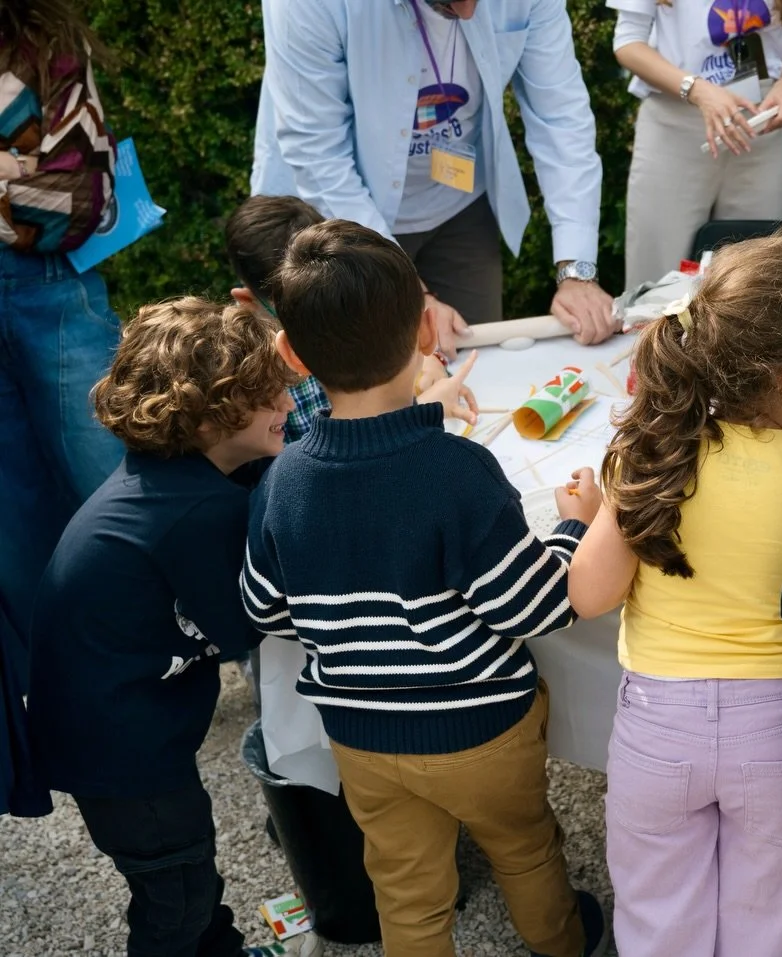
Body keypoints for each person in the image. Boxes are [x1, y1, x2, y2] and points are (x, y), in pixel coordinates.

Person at [240, 219, 609, 957]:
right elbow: (533, 605)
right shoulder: (456, 471)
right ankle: (563, 942)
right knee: (525, 847)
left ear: (289, 353)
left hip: (360, 737)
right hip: (481, 730)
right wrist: (574, 529)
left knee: (405, 887)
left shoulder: (284, 479)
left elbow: (264, 607)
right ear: (423, 332)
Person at [567, 230, 782, 956]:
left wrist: (594, 521)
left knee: (659, 910)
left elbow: (591, 593)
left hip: (659, 728)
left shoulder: (650, 450)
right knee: (773, 910)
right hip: (779, 731)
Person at [25, 298, 316, 957]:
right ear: (214, 414)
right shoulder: (197, 513)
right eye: (269, 394)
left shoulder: (172, 479)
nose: (289, 404)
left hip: (110, 731)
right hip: (125, 754)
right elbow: (251, 625)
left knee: (186, 874)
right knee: (175, 894)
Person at [250, 0, 617, 353]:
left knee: (476, 371)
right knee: (353, 387)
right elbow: (318, 153)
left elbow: (561, 118)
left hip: (460, 206)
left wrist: (577, 270)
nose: (470, 11)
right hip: (326, 216)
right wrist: (408, 293)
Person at [0, 0, 124, 687]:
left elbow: (82, 202)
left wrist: (31, 188)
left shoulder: (43, 48)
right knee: (10, 522)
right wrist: (18, 175)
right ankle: (60, 684)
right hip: (42, 278)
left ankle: (172, 648)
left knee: (114, 481)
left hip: (54, 291)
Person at [609, 0, 782, 290]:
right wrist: (697, 91)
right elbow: (629, 42)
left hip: (759, 120)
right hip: (675, 119)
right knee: (658, 277)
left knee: (758, 275)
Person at [223, 194, 480, 442]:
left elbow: (402, 361)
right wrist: (423, 410)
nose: (330, 315)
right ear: (247, 301)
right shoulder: (246, 381)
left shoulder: (354, 310)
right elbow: (311, 463)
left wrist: (429, 363)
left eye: (332, 295)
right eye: (294, 308)